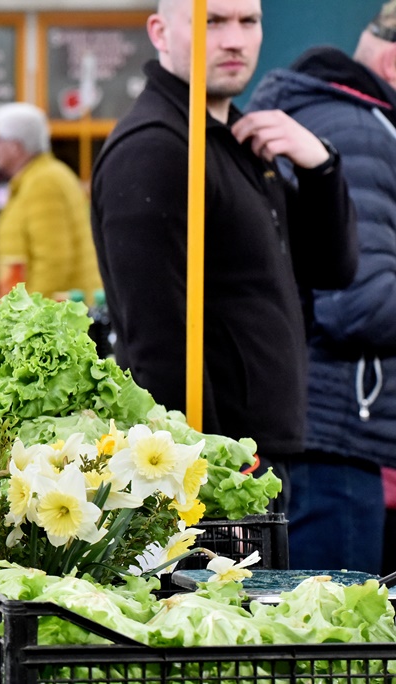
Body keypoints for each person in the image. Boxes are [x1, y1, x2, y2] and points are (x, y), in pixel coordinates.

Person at [90, 0, 358, 515]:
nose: (234, 39)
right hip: (221, 475)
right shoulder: (156, 149)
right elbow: (158, 345)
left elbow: (334, 268)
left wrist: (322, 165)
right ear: (160, 32)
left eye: (248, 21)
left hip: (258, 456)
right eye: (211, 21)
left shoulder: (235, 139)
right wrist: (208, 489)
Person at [245, 2, 396, 573]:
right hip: (336, 437)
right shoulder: (361, 129)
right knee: (335, 649)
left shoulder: (326, 115)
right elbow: (359, 304)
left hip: (318, 426)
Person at [0, 102, 102, 298]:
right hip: (51, 314)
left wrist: (26, 316)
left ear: (15, 146)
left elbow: (53, 261)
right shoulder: (36, 178)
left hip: (57, 317)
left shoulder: (44, 182)